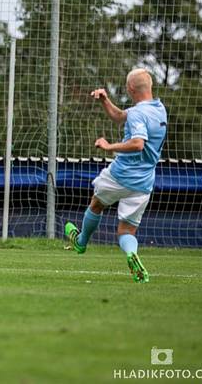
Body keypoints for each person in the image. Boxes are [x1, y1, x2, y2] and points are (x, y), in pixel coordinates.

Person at [65, 68, 167, 283]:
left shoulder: (139, 114)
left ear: (130, 89)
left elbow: (138, 143)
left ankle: (81, 241)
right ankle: (131, 254)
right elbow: (121, 117)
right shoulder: (158, 109)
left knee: (96, 204)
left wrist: (109, 145)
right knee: (126, 230)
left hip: (120, 175)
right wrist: (105, 101)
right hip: (144, 182)